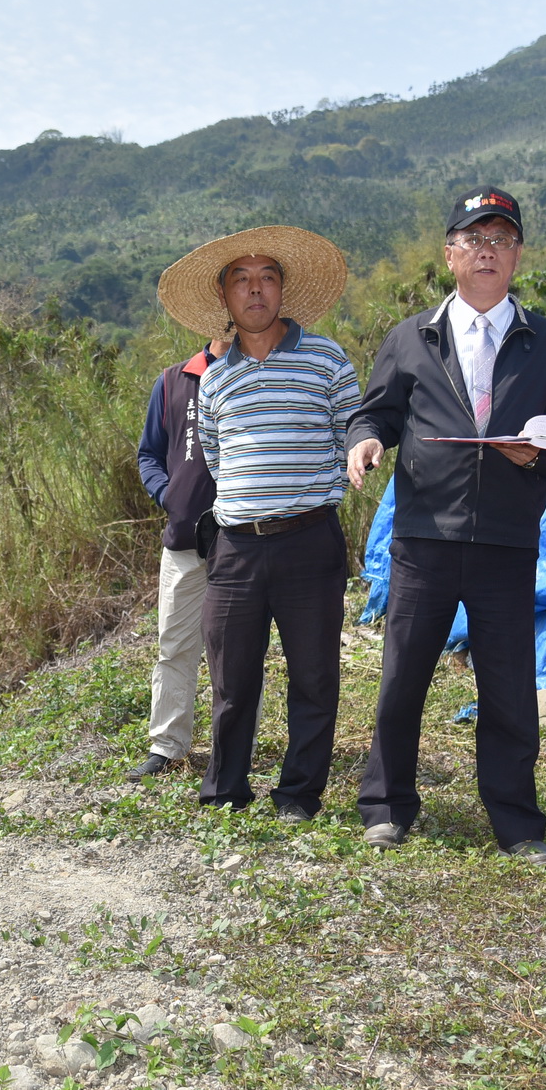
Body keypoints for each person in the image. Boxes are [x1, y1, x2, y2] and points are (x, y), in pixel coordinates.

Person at [345, 188, 546, 864]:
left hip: (506, 541)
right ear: (450, 254)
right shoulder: (411, 337)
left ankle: (517, 823)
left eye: (501, 239)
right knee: (403, 679)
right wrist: (366, 441)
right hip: (424, 537)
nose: (488, 251)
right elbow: (376, 412)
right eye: (475, 239)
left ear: (517, 256)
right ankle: (387, 806)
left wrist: (537, 454)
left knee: (508, 687)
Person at [154, 225, 357, 819]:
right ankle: (226, 790)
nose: (255, 289)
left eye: (267, 277)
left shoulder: (326, 358)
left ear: (282, 290)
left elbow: (353, 431)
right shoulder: (216, 379)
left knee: (313, 677)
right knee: (232, 680)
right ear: (224, 296)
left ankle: (298, 794)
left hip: (309, 541)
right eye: (241, 279)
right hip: (236, 549)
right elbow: (217, 460)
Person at [130, 336, 228, 780]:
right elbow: (149, 454)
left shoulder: (261, 372)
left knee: (237, 650)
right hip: (184, 543)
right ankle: (167, 746)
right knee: (174, 644)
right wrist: (169, 496)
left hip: (244, 541)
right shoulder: (173, 381)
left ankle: (234, 747)